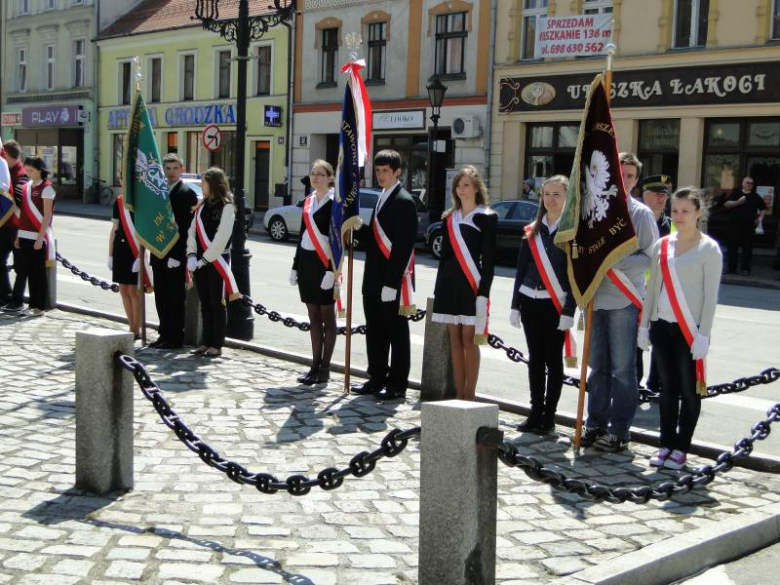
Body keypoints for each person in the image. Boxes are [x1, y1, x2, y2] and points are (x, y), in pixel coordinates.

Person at [638, 188, 722, 469]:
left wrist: (704, 334)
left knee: (689, 390)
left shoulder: (708, 249)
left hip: (690, 330)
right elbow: (652, 289)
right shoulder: (663, 245)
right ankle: (664, 445)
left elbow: (710, 296)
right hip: (662, 325)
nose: (679, 216)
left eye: (686, 211)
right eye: (675, 211)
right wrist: (644, 324)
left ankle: (681, 447)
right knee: (667, 388)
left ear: (698, 212)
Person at [582, 152, 659, 452]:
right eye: (619, 174)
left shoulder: (640, 214)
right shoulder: (594, 209)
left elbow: (651, 257)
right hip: (595, 300)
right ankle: (595, 423)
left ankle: (620, 430)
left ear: (636, 180)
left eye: (629, 176)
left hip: (624, 301)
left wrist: (613, 261)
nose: (624, 179)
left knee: (624, 370)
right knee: (597, 368)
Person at [510, 175, 576, 433]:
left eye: (556, 194)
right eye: (546, 194)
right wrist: (515, 305)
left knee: (553, 361)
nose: (550, 199)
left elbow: (574, 274)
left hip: (555, 305)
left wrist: (570, 309)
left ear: (567, 198)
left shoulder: (571, 232)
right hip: (530, 300)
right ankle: (534, 411)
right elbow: (520, 269)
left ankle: (549, 417)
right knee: (535, 359)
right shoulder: (532, 230)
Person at [352, 149, 418, 401]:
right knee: (375, 331)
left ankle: (398, 383)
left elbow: (402, 246)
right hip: (372, 276)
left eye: (385, 171)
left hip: (392, 281)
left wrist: (391, 283)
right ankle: (377, 376)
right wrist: (356, 228)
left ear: (397, 172)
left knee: (396, 332)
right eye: (378, 170)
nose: (380, 175)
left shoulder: (404, 201)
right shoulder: (382, 197)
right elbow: (374, 240)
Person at [431, 165, 497, 401]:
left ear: (477, 188)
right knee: (455, 340)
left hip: (472, 286)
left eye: (466, 185)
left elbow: (489, 263)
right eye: (458, 185)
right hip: (449, 285)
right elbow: (444, 258)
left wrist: (483, 295)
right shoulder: (449, 218)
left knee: (470, 340)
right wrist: (438, 290)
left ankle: (470, 394)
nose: (461, 189)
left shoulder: (487, 217)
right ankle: (459, 393)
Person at [289, 160, 337, 385]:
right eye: (313, 174)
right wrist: (295, 265)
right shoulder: (308, 202)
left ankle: (325, 368)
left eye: (321, 174)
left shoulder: (335, 202)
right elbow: (301, 237)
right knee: (313, 316)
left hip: (325, 263)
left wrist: (331, 271)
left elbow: (337, 242)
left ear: (330, 177)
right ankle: (314, 364)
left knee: (327, 316)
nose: (316, 178)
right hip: (307, 262)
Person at [186, 167, 237, 358]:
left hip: (217, 260)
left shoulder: (227, 206)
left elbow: (222, 237)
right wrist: (192, 255)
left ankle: (217, 343)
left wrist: (203, 260)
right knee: (204, 302)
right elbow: (192, 230)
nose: (201, 185)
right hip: (199, 260)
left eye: (204, 182)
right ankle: (205, 341)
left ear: (213, 183)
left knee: (217, 303)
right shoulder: (203, 205)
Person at [149, 154, 198, 349]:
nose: (171, 173)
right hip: (159, 251)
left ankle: (175, 337)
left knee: (175, 299)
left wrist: (177, 256)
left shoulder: (187, 193)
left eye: (175, 168)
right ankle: (164, 333)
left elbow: (186, 229)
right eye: (168, 169)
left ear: (182, 169)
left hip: (175, 255)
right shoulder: (159, 191)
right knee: (161, 297)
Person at [638, 175, 673, 393]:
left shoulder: (672, 225)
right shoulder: (637, 220)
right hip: (637, 289)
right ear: (645, 196)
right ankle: (636, 384)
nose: (662, 198)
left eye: (665, 195)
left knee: (661, 340)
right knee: (636, 342)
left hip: (662, 293)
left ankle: (655, 383)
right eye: (657, 194)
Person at [14, 156, 55, 317]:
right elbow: (23, 214)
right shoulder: (26, 187)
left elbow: (46, 216)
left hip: (37, 236)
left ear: (40, 170)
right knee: (28, 271)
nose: (28, 173)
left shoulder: (47, 188)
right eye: (27, 170)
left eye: (31, 170)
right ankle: (32, 304)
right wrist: (18, 234)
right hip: (24, 235)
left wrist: (40, 237)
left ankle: (40, 306)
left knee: (39, 272)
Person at [108, 195, 143, 339]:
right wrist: (110, 254)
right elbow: (114, 228)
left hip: (135, 249)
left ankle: (136, 329)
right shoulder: (119, 200)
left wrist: (141, 256)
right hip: (120, 248)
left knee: (133, 290)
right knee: (123, 289)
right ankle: (131, 326)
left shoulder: (140, 199)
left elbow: (146, 229)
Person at [0, 140, 28, 311]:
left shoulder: (21, 176)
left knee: (20, 266)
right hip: (5, 226)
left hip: (17, 227)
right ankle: (4, 295)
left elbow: (22, 206)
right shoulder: (7, 171)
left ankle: (17, 300)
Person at [723, 176, 766, 275]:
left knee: (747, 248)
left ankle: (745, 269)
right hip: (734, 225)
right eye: (747, 183)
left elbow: (763, 208)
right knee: (732, 247)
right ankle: (731, 268)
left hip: (749, 226)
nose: (749, 185)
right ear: (742, 183)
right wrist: (737, 202)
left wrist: (760, 218)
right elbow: (726, 204)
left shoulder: (755, 196)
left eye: (751, 183)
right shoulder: (736, 193)